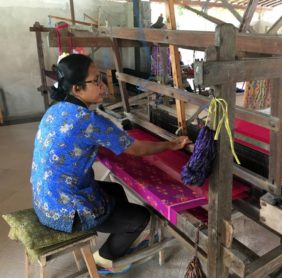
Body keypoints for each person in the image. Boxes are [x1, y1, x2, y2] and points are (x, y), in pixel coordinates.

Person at [30, 54, 191, 270]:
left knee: (114, 190)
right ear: (77, 89)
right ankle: (105, 258)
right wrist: (170, 145)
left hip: (45, 199)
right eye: (95, 81)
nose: (102, 86)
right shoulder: (88, 120)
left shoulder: (55, 110)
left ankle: (118, 235)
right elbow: (136, 148)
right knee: (141, 217)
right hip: (66, 211)